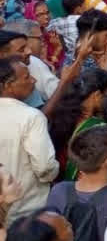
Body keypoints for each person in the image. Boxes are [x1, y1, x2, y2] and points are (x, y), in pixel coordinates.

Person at [0, 56, 59, 224]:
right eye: (26, 77)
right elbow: (44, 167)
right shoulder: (31, 117)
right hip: (27, 211)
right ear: (7, 86)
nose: (33, 80)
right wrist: (55, 171)